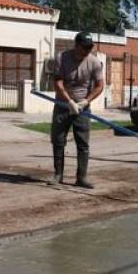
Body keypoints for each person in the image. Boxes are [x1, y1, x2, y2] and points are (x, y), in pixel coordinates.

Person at [50, 31, 105, 188]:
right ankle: (58, 175)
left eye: (89, 48)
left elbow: (100, 85)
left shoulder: (94, 62)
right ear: (76, 45)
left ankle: (81, 177)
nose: (87, 51)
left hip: (82, 108)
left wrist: (85, 102)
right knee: (58, 140)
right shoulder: (62, 58)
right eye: (84, 47)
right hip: (63, 105)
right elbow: (58, 83)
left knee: (83, 143)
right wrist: (69, 101)